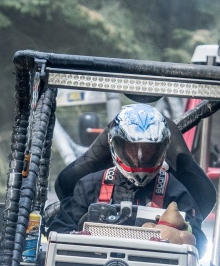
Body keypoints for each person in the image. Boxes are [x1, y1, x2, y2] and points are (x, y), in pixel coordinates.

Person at [46, 104, 205, 245]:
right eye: (133, 149)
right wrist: (80, 236)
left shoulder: (175, 192)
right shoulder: (89, 186)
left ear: (162, 148)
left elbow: (199, 241)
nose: (140, 157)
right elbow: (59, 230)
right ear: (116, 145)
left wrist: (180, 231)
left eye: (148, 149)